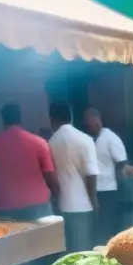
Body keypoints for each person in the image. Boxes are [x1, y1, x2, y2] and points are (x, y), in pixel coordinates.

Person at [0, 104, 58, 221]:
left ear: (2, 119)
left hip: (6, 206)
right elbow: (50, 176)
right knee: (42, 239)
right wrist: (55, 195)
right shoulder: (39, 143)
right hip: (38, 205)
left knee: (13, 239)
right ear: (20, 118)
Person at [48, 103, 99, 252]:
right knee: (81, 250)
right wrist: (94, 201)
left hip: (60, 205)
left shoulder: (51, 142)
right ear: (70, 116)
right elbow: (91, 174)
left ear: (52, 119)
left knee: (65, 251)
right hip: (82, 206)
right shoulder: (84, 139)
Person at [83, 107, 128, 241]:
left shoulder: (110, 138)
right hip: (94, 188)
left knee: (107, 225)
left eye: (91, 122)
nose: (89, 126)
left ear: (98, 121)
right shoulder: (90, 138)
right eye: (87, 123)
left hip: (108, 190)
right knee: (97, 225)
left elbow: (121, 162)